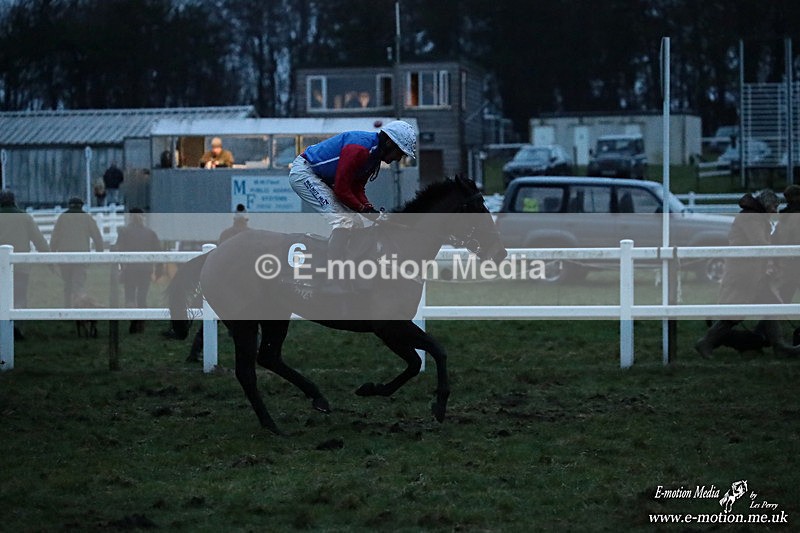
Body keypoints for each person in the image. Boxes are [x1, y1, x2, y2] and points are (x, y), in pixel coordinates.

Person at [694, 190, 800, 357]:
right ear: (766, 205)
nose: (776, 211)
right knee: (734, 315)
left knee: (770, 308)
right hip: (745, 276)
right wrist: (782, 253)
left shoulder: (754, 217)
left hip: (753, 275)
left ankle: (779, 346)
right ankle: (706, 342)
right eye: (774, 207)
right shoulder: (751, 219)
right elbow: (760, 244)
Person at [186, 204, 251, 362]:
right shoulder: (249, 235)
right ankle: (252, 350)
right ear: (246, 219)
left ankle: (195, 352)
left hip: (222, 282)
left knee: (211, 318)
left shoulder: (226, 234)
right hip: (239, 284)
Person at [0, 189, 50, 340]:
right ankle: (17, 328)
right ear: (14, 201)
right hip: (21, 266)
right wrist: (49, 257)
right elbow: (38, 240)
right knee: (19, 297)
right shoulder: (25, 217)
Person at [113, 208, 162, 334]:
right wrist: (159, 269)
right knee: (142, 296)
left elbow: (119, 249)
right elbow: (159, 252)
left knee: (130, 296)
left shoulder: (124, 232)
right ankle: (141, 323)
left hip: (129, 270)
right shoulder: (150, 233)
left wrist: (120, 267)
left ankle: (133, 321)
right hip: (145, 270)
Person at [50, 197, 105, 307]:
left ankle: (67, 307)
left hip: (64, 257)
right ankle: (78, 308)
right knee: (78, 284)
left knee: (67, 284)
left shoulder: (62, 218)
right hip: (81, 257)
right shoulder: (87, 218)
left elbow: (54, 239)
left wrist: (52, 255)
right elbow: (98, 238)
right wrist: (99, 254)